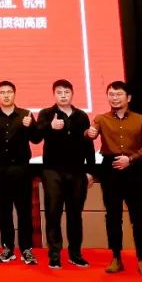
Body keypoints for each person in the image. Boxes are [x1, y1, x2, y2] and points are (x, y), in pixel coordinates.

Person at [85, 81, 142, 276]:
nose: (114, 98)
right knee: (113, 216)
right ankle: (116, 257)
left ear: (128, 98)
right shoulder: (101, 118)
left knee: (138, 216)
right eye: (111, 94)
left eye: (118, 94)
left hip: (134, 169)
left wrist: (130, 159)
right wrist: (89, 133)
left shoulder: (141, 120)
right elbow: (90, 133)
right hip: (110, 169)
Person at [35, 79, 95, 270]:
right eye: (59, 92)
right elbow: (36, 137)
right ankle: (54, 255)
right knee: (53, 213)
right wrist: (50, 127)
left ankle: (75, 254)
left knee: (75, 214)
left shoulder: (81, 116)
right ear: (54, 94)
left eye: (66, 92)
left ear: (72, 94)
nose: (63, 95)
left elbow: (88, 144)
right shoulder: (46, 113)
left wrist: (90, 170)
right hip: (52, 170)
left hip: (77, 171)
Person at [0, 80, 42, 266]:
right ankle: (8, 248)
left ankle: (26, 249)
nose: (6, 95)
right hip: (0, 171)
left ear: (14, 94)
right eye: (2, 92)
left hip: (22, 170)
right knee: (4, 211)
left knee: (24, 211)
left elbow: (36, 139)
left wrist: (31, 126)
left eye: (9, 92)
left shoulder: (26, 114)